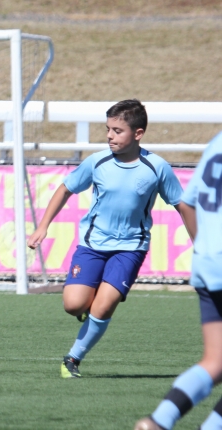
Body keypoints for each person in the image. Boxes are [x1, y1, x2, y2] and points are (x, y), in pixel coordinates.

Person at [27, 99, 194, 379]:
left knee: (103, 306)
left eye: (117, 130)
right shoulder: (97, 161)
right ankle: (86, 313)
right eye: (108, 129)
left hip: (130, 248)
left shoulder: (157, 167)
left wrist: (201, 245)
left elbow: (183, 205)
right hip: (92, 246)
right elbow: (66, 189)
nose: (109, 135)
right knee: (73, 304)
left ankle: (72, 359)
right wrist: (42, 226)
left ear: (137, 134)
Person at [133, 131, 221, 430]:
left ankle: (158, 421)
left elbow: (191, 202)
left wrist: (206, 249)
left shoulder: (217, 142)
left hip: (209, 262)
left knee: (215, 361)